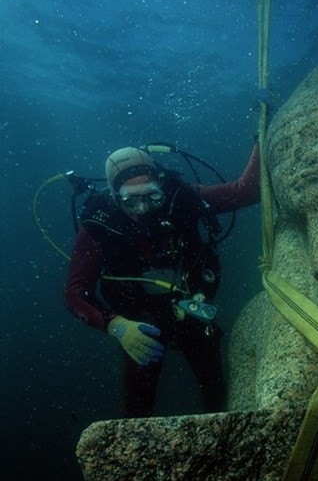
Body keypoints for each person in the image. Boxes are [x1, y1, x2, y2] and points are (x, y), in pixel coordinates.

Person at [64, 141, 260, 418]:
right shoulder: (100, 223)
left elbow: (246, 191)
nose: (143, 208)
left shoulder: (182, 197)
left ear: (162, 185)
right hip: (137, 320)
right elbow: (75, 292)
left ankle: (226, 443)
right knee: (137, 409)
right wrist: (117, 326)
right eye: (131, 200)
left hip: (190, 305)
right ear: (113, 195)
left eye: (152, 197)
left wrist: (260, 137)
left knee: (216, 390)